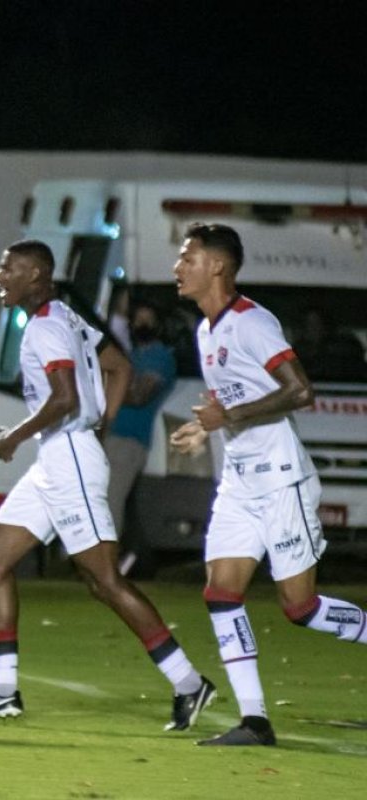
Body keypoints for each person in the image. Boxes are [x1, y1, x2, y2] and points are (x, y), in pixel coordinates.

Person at [0, 240, 214, 731]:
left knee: (105, 582)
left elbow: (65, 397)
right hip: (59, 457)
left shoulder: (47, 327)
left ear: (37, 277)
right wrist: (103, 425)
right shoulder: (68, 318)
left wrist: (15, 436)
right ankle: (3, 691)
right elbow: (119, 367)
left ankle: (189, 683)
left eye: (10, 269)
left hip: (68, 458)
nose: (2, 277)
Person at [170, 222, 367, 746]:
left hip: (282, 483)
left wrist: (225, 414)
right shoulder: (206, 330)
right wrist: (204, 427)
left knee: (301, 608)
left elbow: (301, 391)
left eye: (187, 257)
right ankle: (255, 720)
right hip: (239, 485)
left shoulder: (252, 322)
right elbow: (231, 411)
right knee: (220, 593)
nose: (178, 267)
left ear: (218, 266)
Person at [103, 301, 177, 571]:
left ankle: (106, 565)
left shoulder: (160, 358)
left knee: (111, 500)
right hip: (111, 435)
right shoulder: (131, 356)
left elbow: (139, 395)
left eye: (149, 319)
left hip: (129, 440)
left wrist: (113, 382)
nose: (142, 325)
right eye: (138, 319)